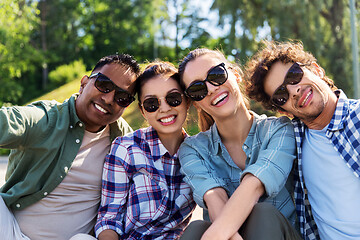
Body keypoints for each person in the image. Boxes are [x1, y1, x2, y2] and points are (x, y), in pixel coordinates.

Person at [0, 54, 141, 240]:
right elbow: (8, 121)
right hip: (11, 233)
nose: (108, 99)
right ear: (83, 84)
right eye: (104, 85)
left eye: (122, 97)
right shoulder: (46, 119)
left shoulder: (123, 140)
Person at [177, 48, 301, 240]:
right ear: (196, 103)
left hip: (281, 233)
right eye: (197, 89)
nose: (210, 89)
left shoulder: (279, 130)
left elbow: (254, 187)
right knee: (195, 230)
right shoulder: (193, 149)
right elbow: (214, 197)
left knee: (262, 214)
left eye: (216, 75)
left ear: (235, 75)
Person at [245, 40, 360, 240]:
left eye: (294, 76)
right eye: (281, 95)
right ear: (282, 110)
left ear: (316, 70)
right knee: (262, 214)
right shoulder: (291, 139)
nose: (294, 90)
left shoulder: (356, 117)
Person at [91, 61, 196, 240]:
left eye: (173, 99)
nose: (164, 108)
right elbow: (109, 219)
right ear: (143, 111)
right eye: (151, 103)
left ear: (187, 101)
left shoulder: (199, 153)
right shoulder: (126, 149)